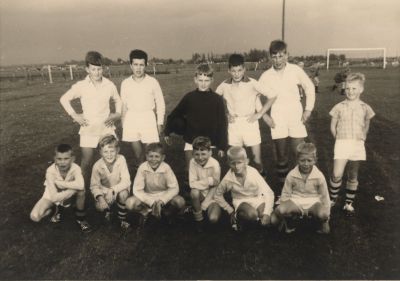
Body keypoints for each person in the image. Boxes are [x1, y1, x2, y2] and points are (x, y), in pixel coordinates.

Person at [60, 51, 122, 232]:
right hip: (88, 130)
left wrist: (117, 114)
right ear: (87, 69)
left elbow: (118, 101)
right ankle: (81, 193)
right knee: (86, 164)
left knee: (112, 161)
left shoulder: (109, 84)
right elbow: (64, 99)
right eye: (93, 69)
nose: (97, 72)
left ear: (103, 68)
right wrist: (75, 116)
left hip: (106, 129)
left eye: (99, 68)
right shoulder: (81, 85)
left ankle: (113, 194)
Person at [259, 40, 316, 188]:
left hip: (295, 114)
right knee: (281, 156)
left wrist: (308, 109)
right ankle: (284, 190)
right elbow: (255, 96)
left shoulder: (295, 70)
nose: (278, 60)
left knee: (301, 154)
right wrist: (264, 116)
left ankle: (302, 188)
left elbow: (309, 87)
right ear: (270, 57)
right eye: (274, 56)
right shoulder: (266, 75)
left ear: (287, 55)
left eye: (281, 56)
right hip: (277, 116)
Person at [216, 54, 276, 176]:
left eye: (239, 70)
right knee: (235, 160)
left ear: (244, 69)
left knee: (256, 160)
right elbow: (214, 101)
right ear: (229, 70)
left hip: (250, 122)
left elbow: (272, 96)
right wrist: (225, 114)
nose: (236, 74)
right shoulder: (224, 85)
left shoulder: (252, 83)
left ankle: (261, 190)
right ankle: (239, 190)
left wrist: (260, 114)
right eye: (233, 71)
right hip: (234, 125)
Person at [164, 63, 228, 172]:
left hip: (210, 141)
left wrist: (222, 146)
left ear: (212, 80)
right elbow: (176, 113)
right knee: (191, 170)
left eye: (206, 80)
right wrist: (167, 131)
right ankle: (190, 186)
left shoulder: (217, 99)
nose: (203, 84)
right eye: (200, 80)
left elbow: (222, 123)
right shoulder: (189, 97)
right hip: (191, 140)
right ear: (195, 80)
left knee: (208, 172)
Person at [328, 73, 375, 216]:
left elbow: (367, 122)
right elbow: (332, 126)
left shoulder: (365, 107)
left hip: (357, 144)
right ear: (344, 88)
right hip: (342, 143)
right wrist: (338, 139)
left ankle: (348, 202)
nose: (350, 91)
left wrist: (364, 136)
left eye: (354, 88)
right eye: (348, 88)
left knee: (353, 174)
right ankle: (332, 199)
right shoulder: (339, 106)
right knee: (337, 174)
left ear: (361, 89)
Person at [30, 144, 92, 233]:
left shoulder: (75, 168)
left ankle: (80, 219)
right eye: (59, 159)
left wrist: (62, 184)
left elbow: (81, 185)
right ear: (55, 159)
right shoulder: (50, 171)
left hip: (66, 192)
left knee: (81, 191)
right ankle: (55, 209)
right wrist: (72, 190)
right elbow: (54, 197)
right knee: (35, 217)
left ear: (72, 159)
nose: (62, 162)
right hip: (52, 195)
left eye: (66, 159)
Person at [271, 143, 330, 234]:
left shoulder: (319, 176)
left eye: (309, 160)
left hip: (313, 201)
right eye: (302, 160)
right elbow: (286, 194)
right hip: (296, 200)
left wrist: (326, 218)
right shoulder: (291, 174)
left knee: (323, 214)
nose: (306, 164)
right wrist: (284, 212)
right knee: (279, 212)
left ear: (315, 160)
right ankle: (288, 222)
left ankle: (320, 222)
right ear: (297, 160)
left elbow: (325, 196)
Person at [121, 49, 165, 165]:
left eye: (141, 65)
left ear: (145, 65)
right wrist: (123, 123)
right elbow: (124, 105)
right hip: (132, 119)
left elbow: (160, 103)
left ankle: (153, 178)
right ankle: (142, 177)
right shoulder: (125, 83)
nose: (138, 68)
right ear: (131, 65)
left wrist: (159, 123)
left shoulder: (152, 82)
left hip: (148, 118)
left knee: (151, 154)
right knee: (139, 156)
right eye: (135, 65)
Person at [214, 146, 274, 231]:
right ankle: (239, 219)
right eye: (233, 163)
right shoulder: (228, 178)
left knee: (266, 217)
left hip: (257, 198)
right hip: (241, 201)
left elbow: (269, 193)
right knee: (252, 215)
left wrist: (267, 213)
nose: (236, 166)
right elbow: (217, 195)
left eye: (239, 162)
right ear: (228, 163)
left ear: (246, 162)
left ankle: (256, 220)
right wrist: (230, 210)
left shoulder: (253, 173)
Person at [125, 143, 186, 227]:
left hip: (163, 195)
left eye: (157, 156)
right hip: (147, 196)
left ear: (163, 157)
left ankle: (167, 213)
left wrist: (162, 201)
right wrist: (151, 202)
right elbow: (137, 190)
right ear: (146, 156)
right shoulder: (142, 167)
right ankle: (146, 212)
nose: (153, 159)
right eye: (151, 156)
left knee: (180, 202)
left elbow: (174, 188)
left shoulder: (166, 168)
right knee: (129, 203)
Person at [90, 135, 131, 231]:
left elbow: (126, 180)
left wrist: (113, 190)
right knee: (99, 207)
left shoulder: (121, 159)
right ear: (100, 152)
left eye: (112, 151)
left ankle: (122, 219)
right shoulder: (97, 166)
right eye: (105, 152)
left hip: (118, 189)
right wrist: (100, 198)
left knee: (124, 194)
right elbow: (94, 186)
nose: (109, 155)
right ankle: (108, 211)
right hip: (104, 190)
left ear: (118, 150)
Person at [188, 136, 222, 230]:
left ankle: (198, 208)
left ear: (210, 153)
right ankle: (199, 219)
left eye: (203, 154)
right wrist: (209, 181)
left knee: (213, 219)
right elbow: (192, 184)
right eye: (196, 154)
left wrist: (204, 205)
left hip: (213, 196)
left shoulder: (215, 164)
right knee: (194, 192)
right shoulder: (192, 162)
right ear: (192, 154)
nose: (200, 157)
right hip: (200, 194)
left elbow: (215, 186)